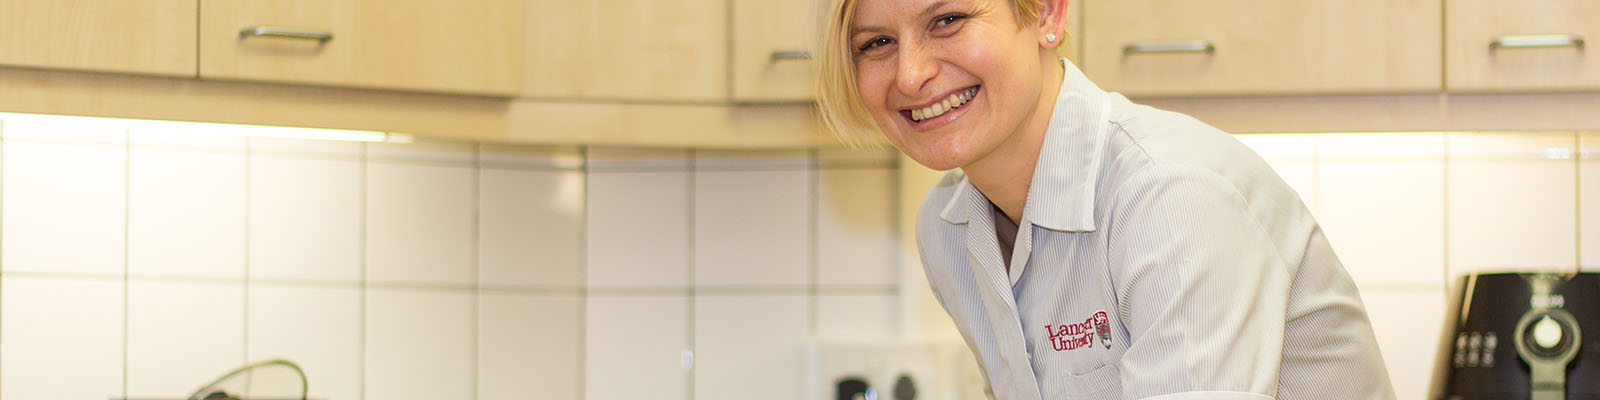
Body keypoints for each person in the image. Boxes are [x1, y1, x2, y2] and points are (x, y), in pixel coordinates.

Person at [812, 0, 1397, 398]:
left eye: (948, 20)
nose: (910, 74)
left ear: (1045, 12)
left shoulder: (1170, 195)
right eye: (878, 42)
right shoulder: (950, 228)